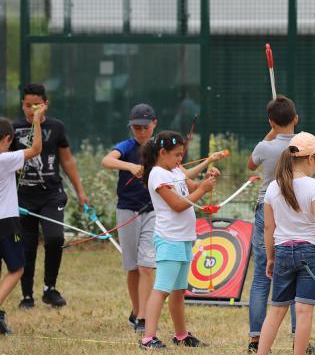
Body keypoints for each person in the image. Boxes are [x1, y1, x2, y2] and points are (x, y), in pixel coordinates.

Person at [256, 132, 315, 355]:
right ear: (310, 159)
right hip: (311, 253)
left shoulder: (273, 187)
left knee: (276, 310)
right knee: (304, 310)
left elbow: (269, 228)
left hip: (283, 251)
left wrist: (270, 258)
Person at [138, 130, 225, 349]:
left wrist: (207, 179)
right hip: (169, 239)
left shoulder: (174, 170)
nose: (180, 160)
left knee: (178, 291)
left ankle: (181, 335)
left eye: (181, 155)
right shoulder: (157, 174)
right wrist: (203, 189)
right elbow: (178, 205)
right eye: (176, 155)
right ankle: (148, 338)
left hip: (184, 238)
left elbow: (193, 188)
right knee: (162, 289)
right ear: (162, 152)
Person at [246, 96, 315, 354]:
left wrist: (272, 132)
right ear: (296, 119)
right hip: (295, 211)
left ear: (271, 122)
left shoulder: (264, 148)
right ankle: (300, 338)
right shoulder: (304, 147)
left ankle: (256, 337)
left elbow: (250, 163)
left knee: (262, 276)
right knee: (301, 277)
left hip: (267, 208)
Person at [12, 83, 89, 308]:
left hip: (51, 195)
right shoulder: (13, 129)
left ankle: (49, 288)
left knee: (55, 238)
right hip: (23, 197)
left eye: (36, 105)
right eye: (27, 105)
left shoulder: (56, 127)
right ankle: (27, 295)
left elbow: (67, 160)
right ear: (22, 105)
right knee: (27, 245)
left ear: (45, 105)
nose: (31, 110)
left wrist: (80, 192)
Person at [100, 103, 158, 333]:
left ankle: (143, 317)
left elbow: (177, 167)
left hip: (152, 211)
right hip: (127, 211)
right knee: (133, 267)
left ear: (154, 124)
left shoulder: (158, 147)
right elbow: (107, 160)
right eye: (136, 127)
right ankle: (136, 311)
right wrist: (131, 166)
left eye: (145, 127)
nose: (141, 132)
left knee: (146, 266)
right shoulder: (127, 146)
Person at [0, 104, 45, 334]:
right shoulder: (4, 159)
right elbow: (36, 148)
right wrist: (36, 120)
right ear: (7, 138)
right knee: (17, 269)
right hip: (6, 222)